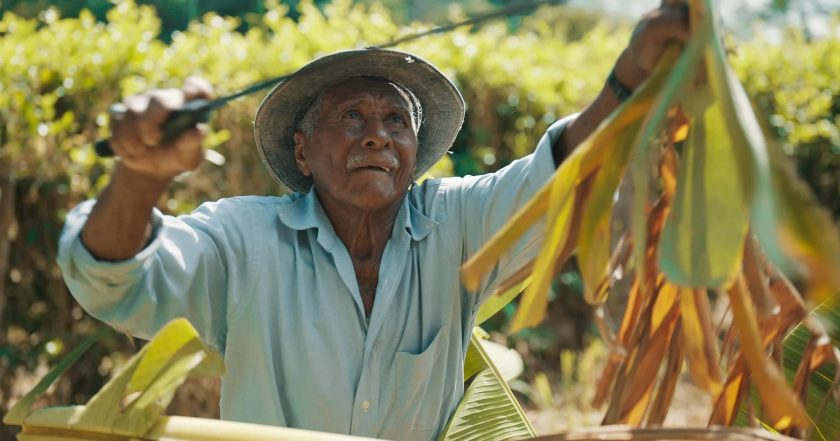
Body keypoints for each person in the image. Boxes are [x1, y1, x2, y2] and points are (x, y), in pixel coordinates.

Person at [57, 3, 689, 440]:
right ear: (303, 151)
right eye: (351, 118)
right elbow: (115, 281)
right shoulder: (243, 240)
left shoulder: (457, 224)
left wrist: (629, 75)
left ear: (416, 154)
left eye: (396, 122)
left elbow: (556, 176)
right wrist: (140, 176)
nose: (377, 138)